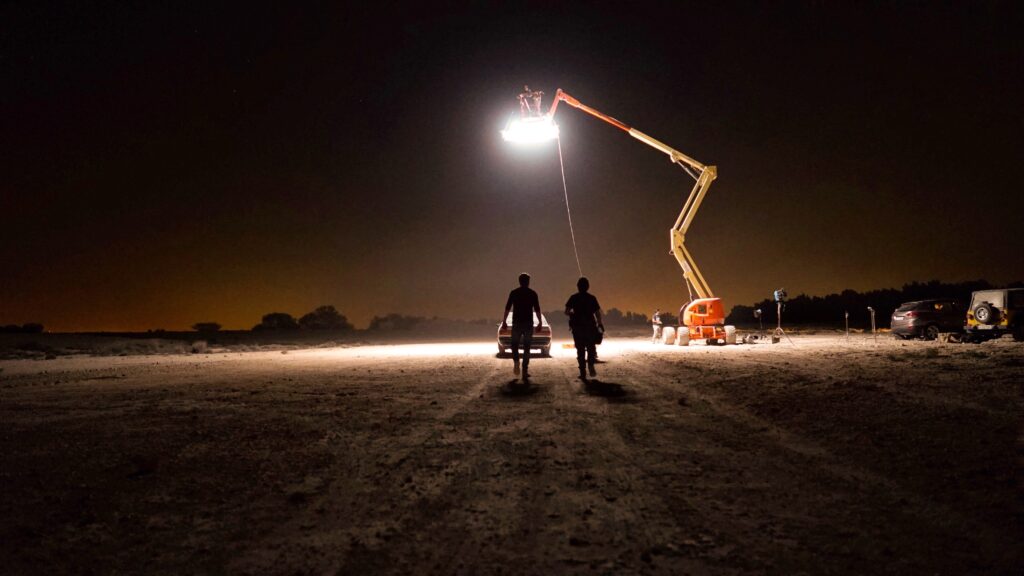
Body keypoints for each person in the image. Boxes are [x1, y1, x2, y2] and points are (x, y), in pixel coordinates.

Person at [502, 273, 542, 379]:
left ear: (519, 281)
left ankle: (516, 362)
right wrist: (540, 322)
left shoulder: (514, 293)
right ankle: (525, 370)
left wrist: (504, 321)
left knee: (514, 345)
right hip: (528, 323)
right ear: (528, 282)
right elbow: (537, 309)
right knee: (527, 347)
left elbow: (507, 308)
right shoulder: (532, 293)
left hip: (517, 323)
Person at [565, 277, 603, 380]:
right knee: (591, 348)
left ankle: (582, 371)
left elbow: (567, 311)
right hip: (590, 327)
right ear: (588, 287)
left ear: (578, 286)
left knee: (580, 350)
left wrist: (573, 313)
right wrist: (600, 324)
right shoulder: (592, 298)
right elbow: (597, 314)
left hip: (577, 328)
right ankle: (590, 365)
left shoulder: (573, 297)